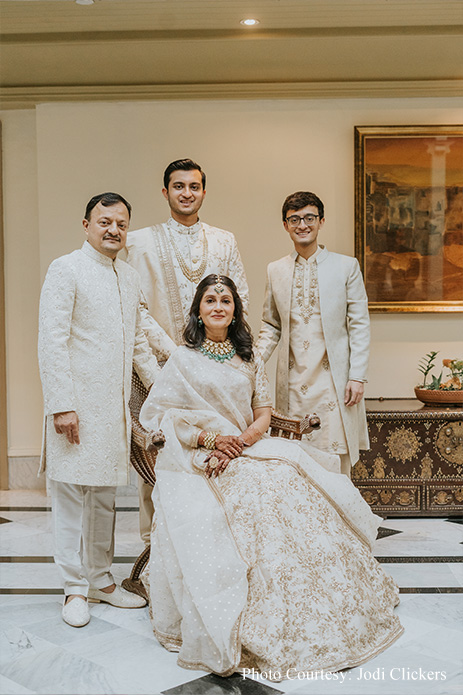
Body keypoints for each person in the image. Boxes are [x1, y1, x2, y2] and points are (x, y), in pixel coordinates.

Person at [139, 274, 402, 680]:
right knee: (254, 492)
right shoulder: (183, 359)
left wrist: (240, 441)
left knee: (286, 482)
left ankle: (317, 602)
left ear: (235, 310)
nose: (218, 307)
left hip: (247, 447)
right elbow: (161, 417)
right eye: (210, 300)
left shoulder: (250, 358)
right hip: (199, 456)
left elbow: (263, 412)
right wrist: (211, 439)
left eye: (226, 300)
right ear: (198, 310)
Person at [38, 192, 160, 628]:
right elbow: (51, 341)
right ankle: (73, 587)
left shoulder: (127, 277)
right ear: (86, 224)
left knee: (105, 499)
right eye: (105, 221)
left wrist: (166, 388)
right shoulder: (65, 268)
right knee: (70, 496)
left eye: (121, 224)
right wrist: (62, 405)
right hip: (74, 410)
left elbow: (138, 345)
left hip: (114, 412)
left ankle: (102, 581)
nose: (114, 230)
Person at [124, 158, 249, 544]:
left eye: (194, 187)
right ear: (165, 192)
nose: (187, 193)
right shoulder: (139, 241)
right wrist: (178, 357)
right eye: (179, 187)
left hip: (215, 367)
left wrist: (217, 357)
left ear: (203, 192)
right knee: (160, 457)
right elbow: (136, 308)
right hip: (157, 366)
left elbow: (237, 296)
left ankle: (217, 542)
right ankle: (156, 546)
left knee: (219, 451)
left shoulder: (224, 240)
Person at [257, 191, 370, 476]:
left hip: (334, 380)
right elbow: (271, 325)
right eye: (294, 219)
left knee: (335, 459)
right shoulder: (276, 270)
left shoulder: (346, 267)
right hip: (293, 380)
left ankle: (339, 520)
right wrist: (252, 363)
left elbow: (359, 324)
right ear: (285, 225)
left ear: (321, 221)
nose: (302, 225)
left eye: (309, 218)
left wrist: (357, 376)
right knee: (295, 459)